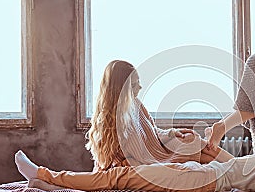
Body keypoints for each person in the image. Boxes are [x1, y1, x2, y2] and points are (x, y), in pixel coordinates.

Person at [14, 64, 255, 192]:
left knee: (121, 178)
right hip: (215, 172)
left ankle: (45, 177)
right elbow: (243, 170)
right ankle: (46, 176)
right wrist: (214, 151)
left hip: (209, 178)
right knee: (130, 173)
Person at [83, 60, 233, 172]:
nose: (140, 87)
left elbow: (153, 131)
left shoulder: (137, 105)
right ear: (121, 89)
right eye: (135, 85)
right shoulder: (110, 120)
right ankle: (238, 170)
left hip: (157, 150)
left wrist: (173, 133)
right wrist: (124, 163)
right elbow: (109, 160)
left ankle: (238, 165)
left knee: (193, 140)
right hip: (147, 160)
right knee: (205, 157)